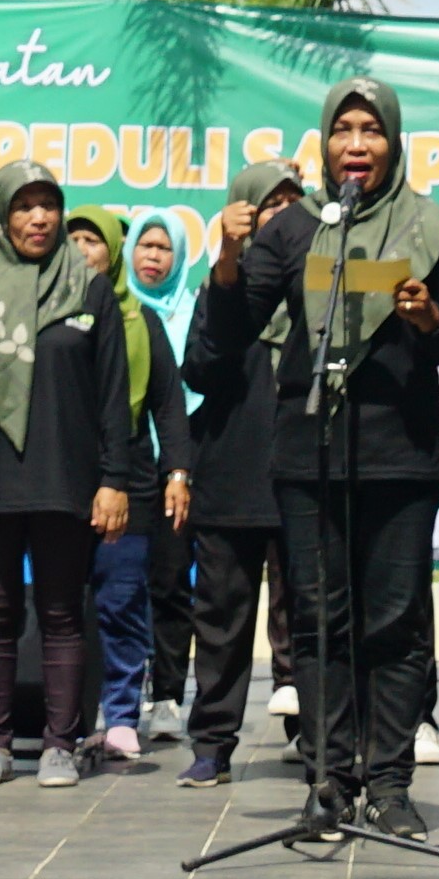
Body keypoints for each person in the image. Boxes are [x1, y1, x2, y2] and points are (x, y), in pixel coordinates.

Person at [192, 79, 439, 842]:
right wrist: (227, 258)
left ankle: (388, 783)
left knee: (392, 623)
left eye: (371, 131)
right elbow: (228, 334)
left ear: (394, 141)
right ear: (324, 142)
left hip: (401, 456)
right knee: (320, 623)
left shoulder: (429, 225)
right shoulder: (292, 229)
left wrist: (428, 319)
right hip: (308, 454)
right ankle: (327, 778)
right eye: (342, 131)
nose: (355, 144)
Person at [0, 164, 133, 786]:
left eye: (49, 205)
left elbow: (112, 392)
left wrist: (114, 478)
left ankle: (59, 745)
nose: (39, 219)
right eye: (23, 207)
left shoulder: (89, 289)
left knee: (62, 613)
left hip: (65, 477)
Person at [175, 159, 301, 787]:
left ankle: (313, 735)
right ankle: (213, 742)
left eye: (293, 203)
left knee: (306, 612)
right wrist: (229, 267)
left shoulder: (320, 285)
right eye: (269, 204)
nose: (282, 215)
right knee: (221, 617)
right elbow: (197, 369)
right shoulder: (223, 286)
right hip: (232, 473)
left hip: (306, 472)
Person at [64, 203, 192, 763]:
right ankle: (62, 714)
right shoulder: (48, 314)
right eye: (73, 240)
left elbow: (168, 404)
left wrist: (177, 472)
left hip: (131, 482)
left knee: (121, 601)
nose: (81, 251)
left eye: (92, 240)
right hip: (61, 477)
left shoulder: (142, 320)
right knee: (62, 605)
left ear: (113, 250)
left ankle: (120, 715)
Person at [125, 212, 199, 735]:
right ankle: (119, 690)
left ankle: (168, 695)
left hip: (177, 464)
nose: (152, 256)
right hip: (124, 464)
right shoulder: (113, 309)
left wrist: (181, 466)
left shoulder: (193, 312)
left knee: (171, 580)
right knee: (120, 583)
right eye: (145, 246)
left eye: (163, 248)